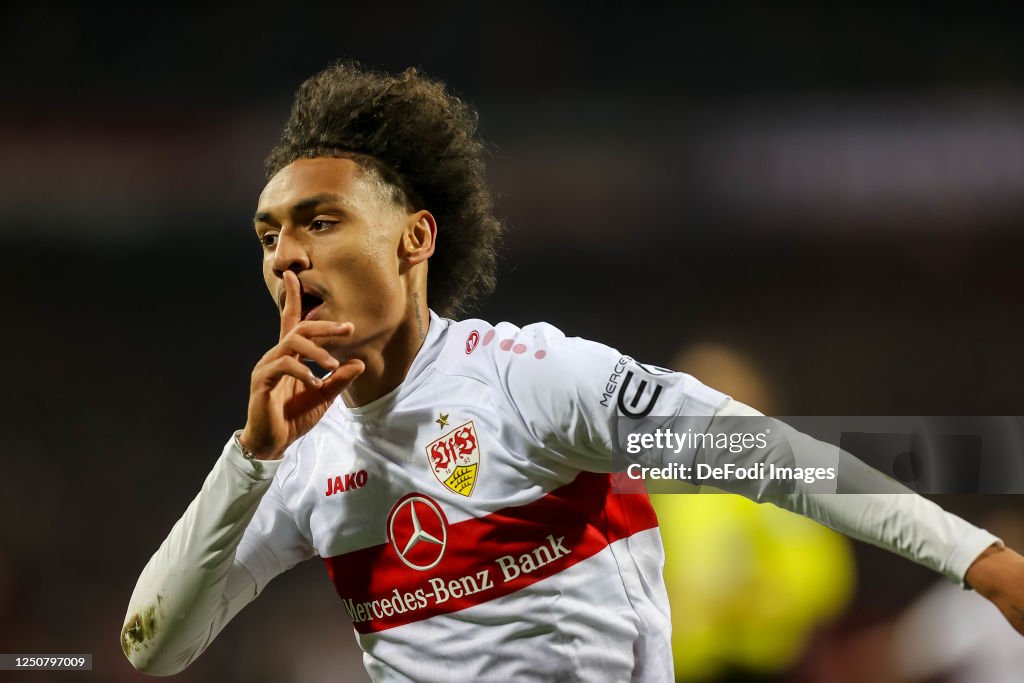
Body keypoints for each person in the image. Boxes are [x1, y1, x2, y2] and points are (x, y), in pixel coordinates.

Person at [120, 61, 1024, 682]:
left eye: (320, 221)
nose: (286, 256)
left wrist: (977, 559)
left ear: (415, 238)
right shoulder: (295, 463)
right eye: (270, 235)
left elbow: (771, 457)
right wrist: (250, 455)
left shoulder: (529, 378)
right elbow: (153, 646)